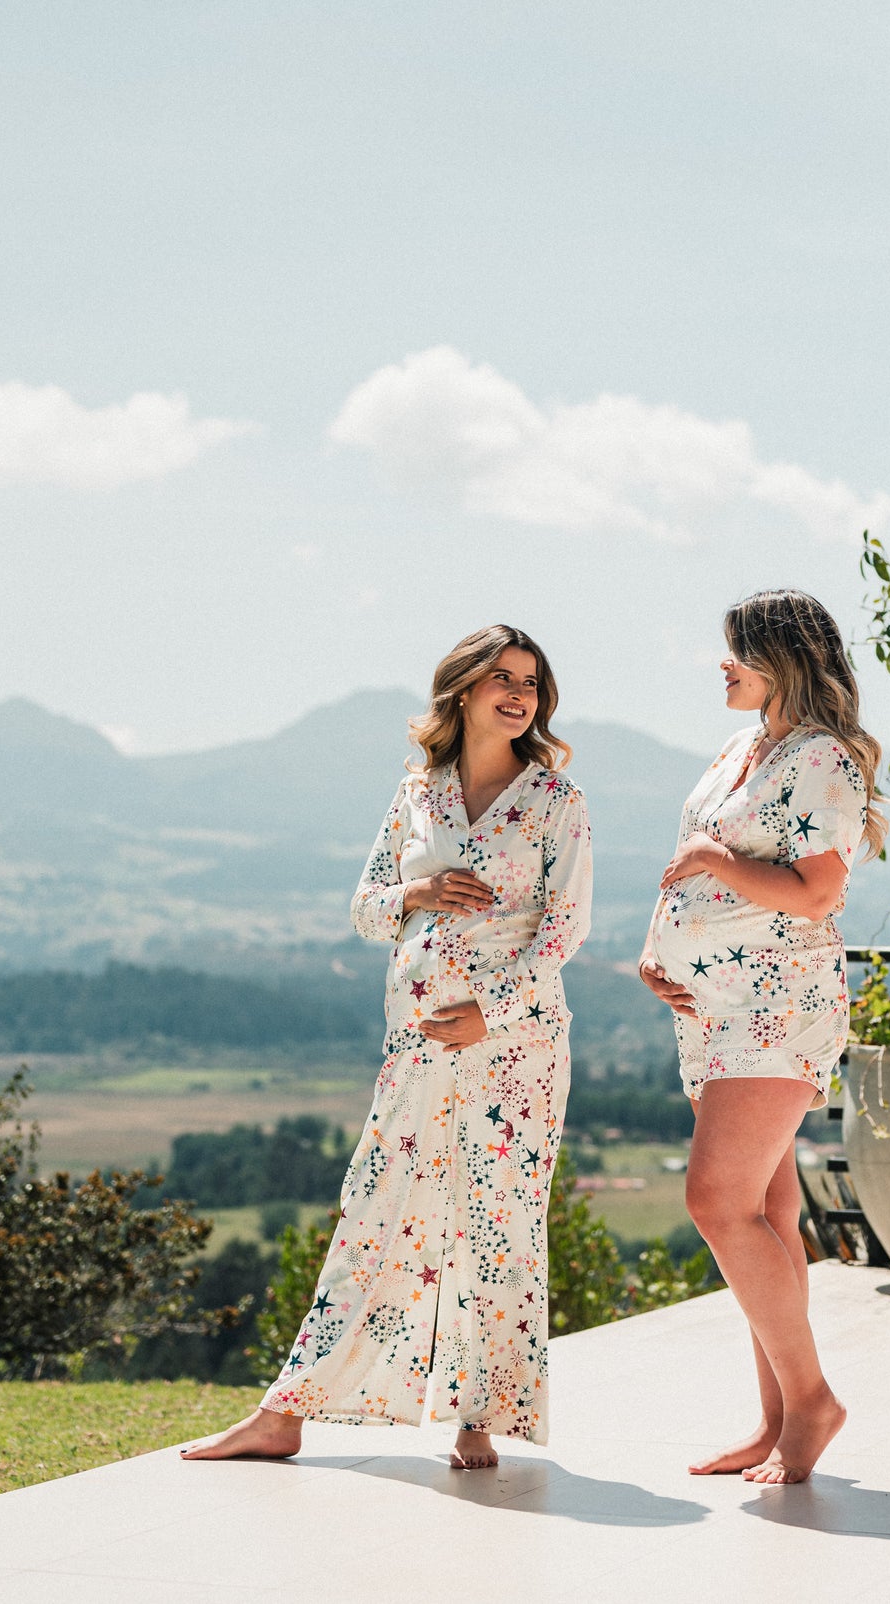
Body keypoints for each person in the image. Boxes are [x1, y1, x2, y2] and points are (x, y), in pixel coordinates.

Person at [183, 623, 591, 1470]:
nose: (518, 694)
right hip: (414, 1046)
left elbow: (564, 930)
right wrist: (418, 888)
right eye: (500, 678)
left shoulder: (557, 800)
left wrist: (493, 1012)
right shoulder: (418, 794)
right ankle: (285, 1413)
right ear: (463, 691)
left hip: (515, 1048)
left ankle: (479, 1418)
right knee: (372, 1220)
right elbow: (367, 909)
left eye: (530, 682)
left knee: (498, 1225)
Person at [638, 588, 884, 1484]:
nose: (721, 664)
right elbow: (688, 859)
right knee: (770, 1213)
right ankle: (778, 1422)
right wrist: (655, 952)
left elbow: (816, 890)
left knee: (717, 1203)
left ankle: (812, 1402)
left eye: (735, 649)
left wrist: (715, 863)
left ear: (781, 656)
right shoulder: (745, 747)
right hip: (713, 1009)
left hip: (776, 1010)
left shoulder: (820, 758)